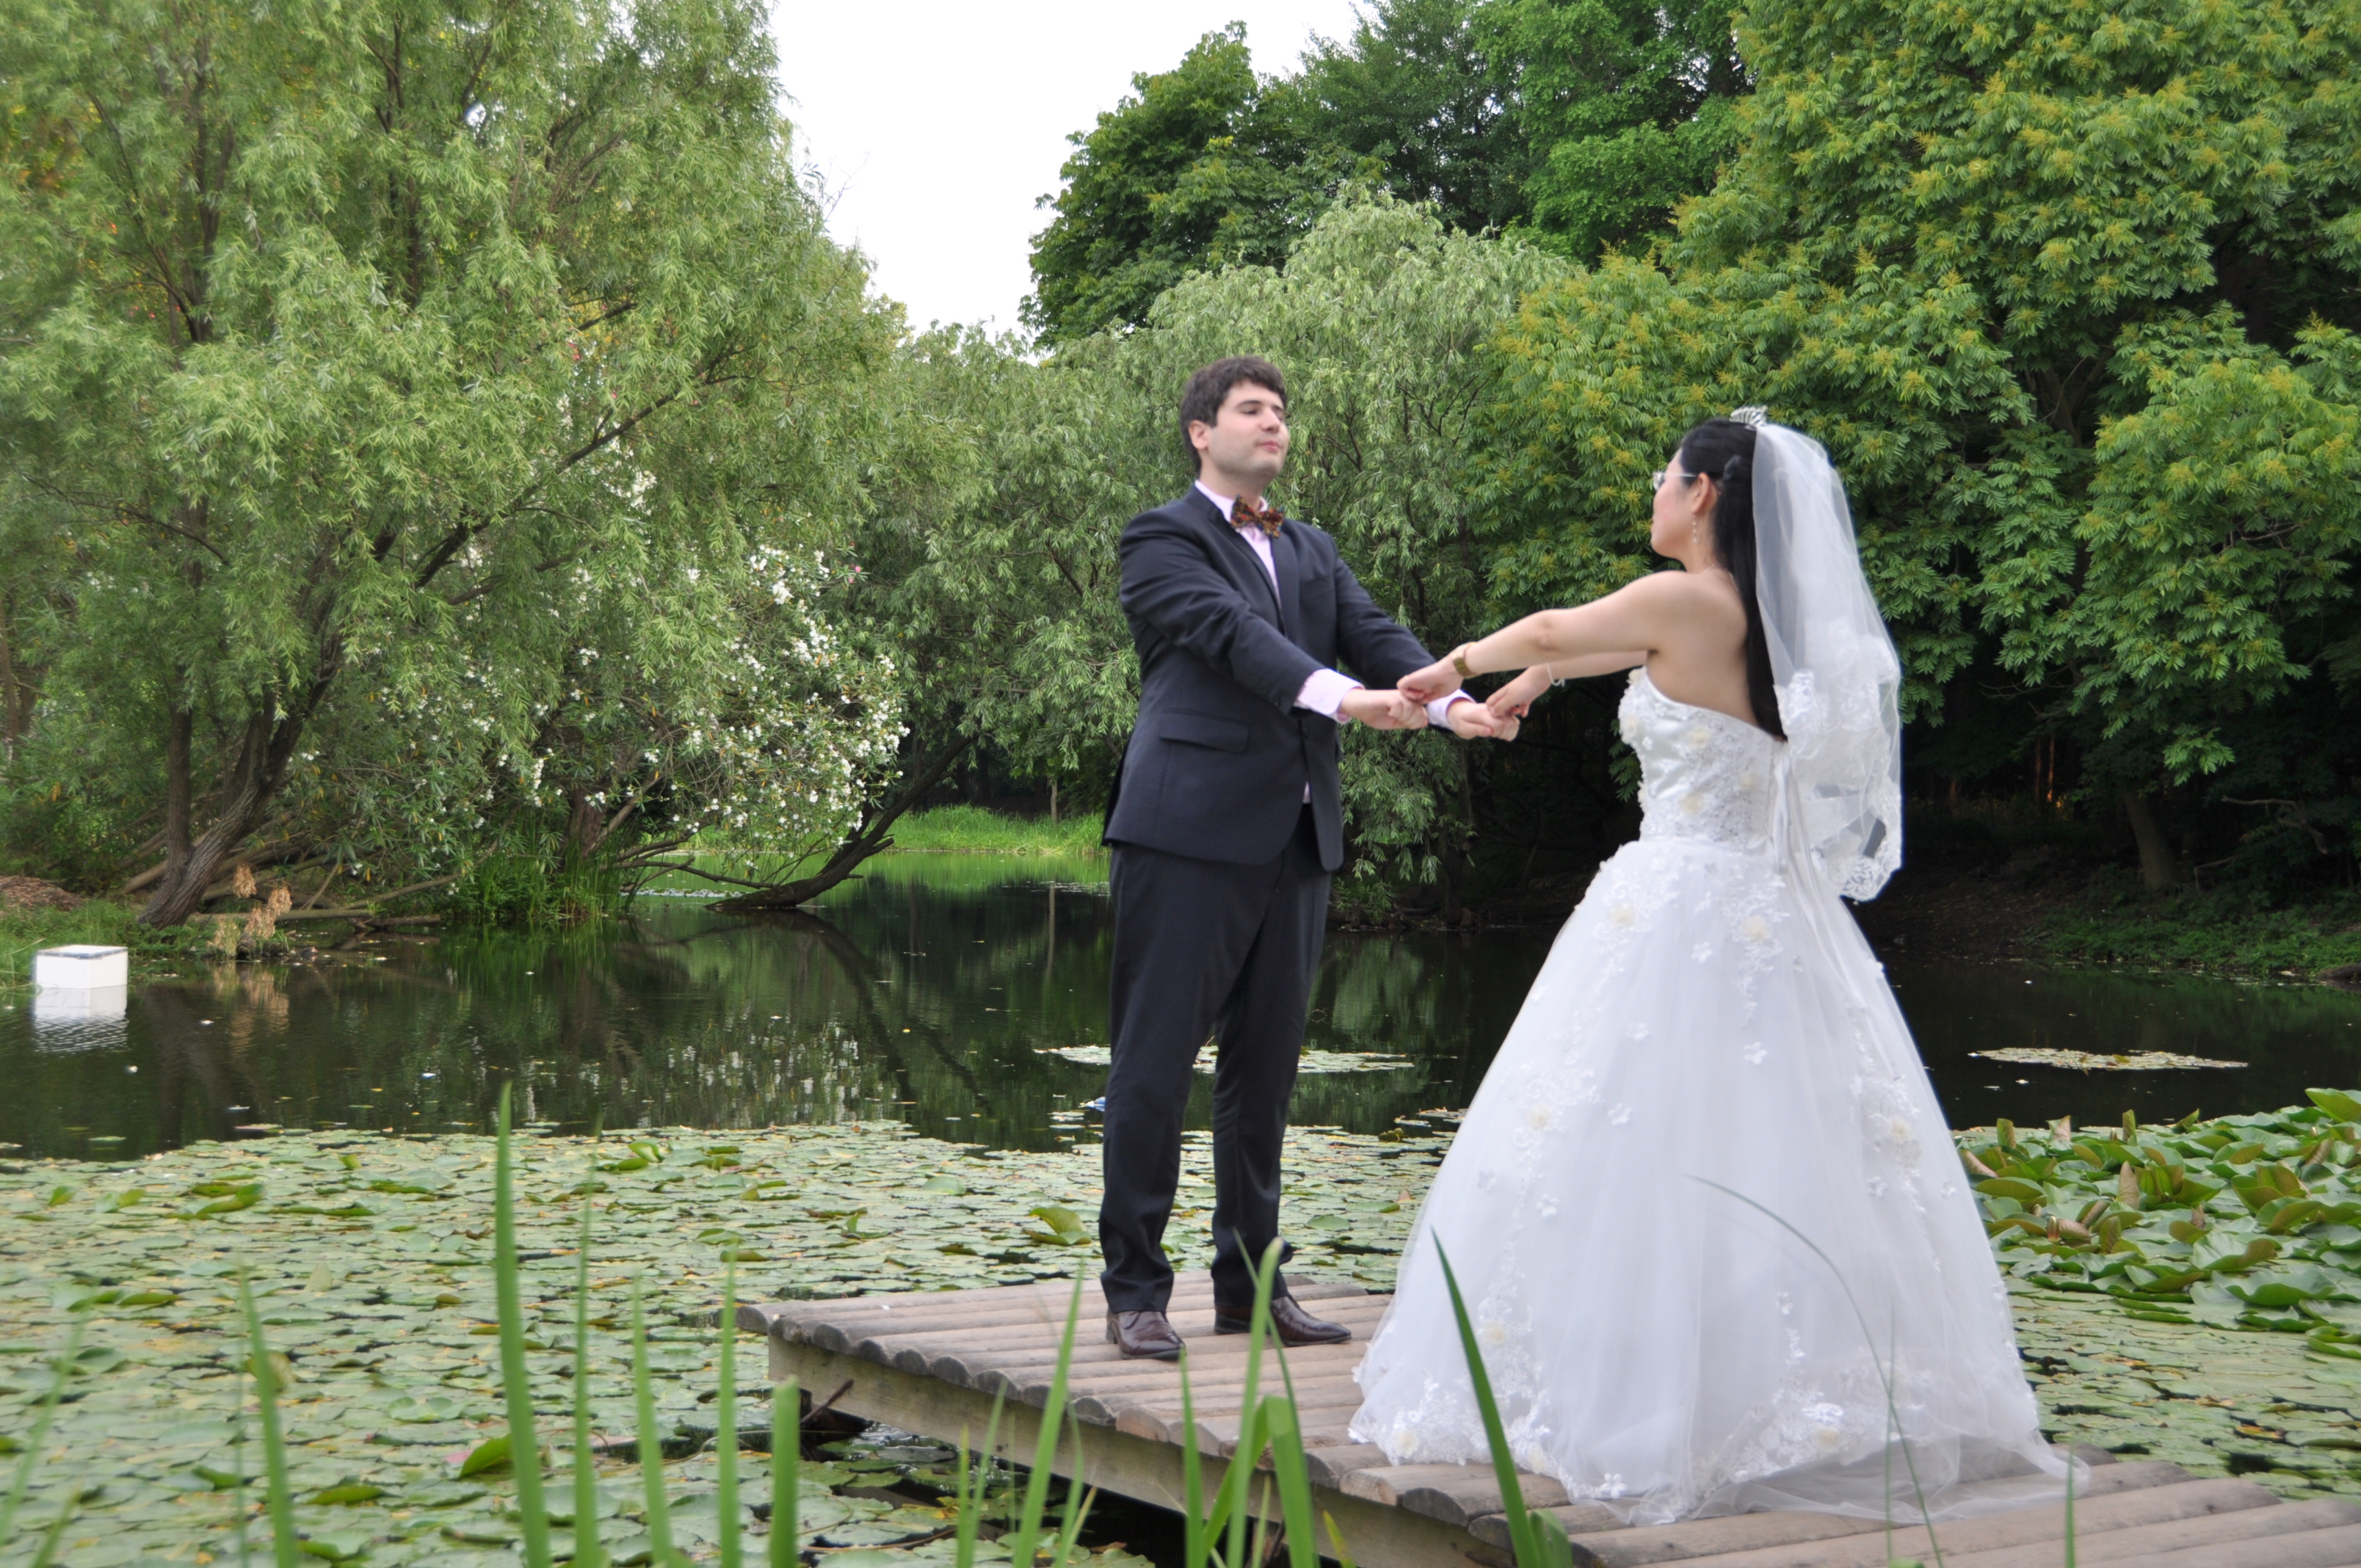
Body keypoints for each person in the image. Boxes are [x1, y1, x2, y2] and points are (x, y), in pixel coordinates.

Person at [1349, 413, 2066, 1520]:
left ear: (1704, 494)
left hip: (1682, 900)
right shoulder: (1756, 618)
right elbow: (1592, 649)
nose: (1654, 490)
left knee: (1633, 1133)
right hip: (1773, 911)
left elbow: (1558, 623)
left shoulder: (1685, 598)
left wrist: (1445, 670)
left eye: (1664, 475)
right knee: (1774, 1142)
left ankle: (1645, 1397)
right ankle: (1777, 1388)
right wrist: (1535, 684)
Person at [1098, 356, 1512, 1360]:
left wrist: (1453, 706)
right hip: (1185, 833)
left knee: (1267, 1072)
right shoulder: (1160, 538)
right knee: (1155, 1064)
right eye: (1252, 409)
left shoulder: (1313, 547)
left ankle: (1250, 1288)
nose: (1273, 422)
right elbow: (1232, 636)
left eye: (1281, 411)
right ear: (1201, 431)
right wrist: (1347, 700)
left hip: (1296, 838)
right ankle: (1135, 1291)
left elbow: (1375, 634)